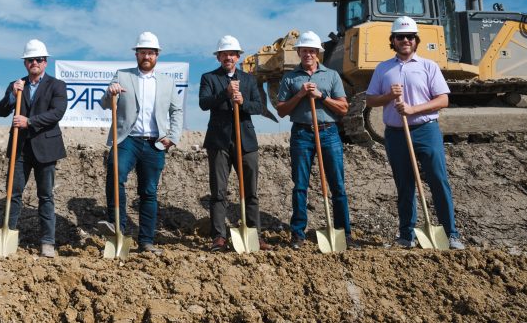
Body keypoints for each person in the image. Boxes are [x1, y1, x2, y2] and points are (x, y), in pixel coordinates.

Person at [365, 16, 466, 250]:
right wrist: (389, 96)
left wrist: (413, 109)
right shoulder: (383, 68)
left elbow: (443, 100)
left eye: (410, 37)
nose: (405, 40)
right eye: (400, 37)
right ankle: (406, 235)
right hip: (396, 134)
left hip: (426, 130)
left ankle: (450, 234)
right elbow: (370, 99)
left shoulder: (428, 66)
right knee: (405, 185)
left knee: (438, 180)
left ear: (416, 40)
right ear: (393, 40)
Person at [99, 31, 183, 255]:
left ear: (157, 55)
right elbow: (105, 104)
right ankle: (117, 228)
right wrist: (110, 92)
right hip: (127, 140)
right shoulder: (122, 76)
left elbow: (177, 111)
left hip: (155, 143)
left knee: (149, 192)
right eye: (142, 52)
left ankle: (146, 241)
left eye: (150, 53)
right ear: (136, 54)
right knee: (115, 173)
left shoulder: (167, 82)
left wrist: (173, 136)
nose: (146, 56)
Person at [275, 30, 353, 249]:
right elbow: (281, 110)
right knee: (300, 185)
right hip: (302, 134)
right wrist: (300, 95)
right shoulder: (290, 77)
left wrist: (322, 96)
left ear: (318, 53)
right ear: (299, 52)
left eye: (312, 50)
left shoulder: (332, 75)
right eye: (304, 51)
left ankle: (344, 233)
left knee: (337, 185)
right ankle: (298, 234)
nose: (308, 54)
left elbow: (344, 108)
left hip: (329, 133)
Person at [0, 39, 68, 258]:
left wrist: (29, 121)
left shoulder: (57, 85)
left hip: (46, 148)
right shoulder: (17, 85)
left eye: (38, 59)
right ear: (25, 63)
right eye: (30, 60)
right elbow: (0, 111)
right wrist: (12, 95)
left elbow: (57, 113)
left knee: (45, 196)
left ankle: (47, 242)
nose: (34, 62)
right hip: (20, 148)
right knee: (13, 194)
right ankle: (9, 236)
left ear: (45, 62)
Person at [199, 35, 267, 252]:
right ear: (218, 57)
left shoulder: (249, 80)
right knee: (219, 192)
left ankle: (254, 234)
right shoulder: (209, 78)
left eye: (232, 54)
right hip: (219, 141)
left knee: (251, 191)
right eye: (224, 54)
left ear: (238, 57)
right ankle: (219, 237)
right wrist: (225, 93)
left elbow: (258, 107)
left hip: (246, 141)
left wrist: (243, 102)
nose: (228, 57)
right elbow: (204, 103)